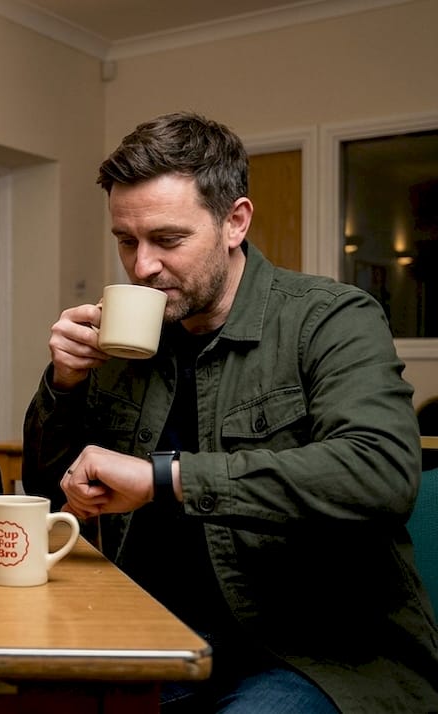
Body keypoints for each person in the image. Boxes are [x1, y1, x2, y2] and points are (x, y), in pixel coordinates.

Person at [22, 111, 438, 713]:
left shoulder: (329, 319)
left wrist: (168, 478)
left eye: (168, 240)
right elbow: (45, 487)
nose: (142, 266)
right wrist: (62, 385)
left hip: (313, 652)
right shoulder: (123, 339)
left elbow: (381, 472)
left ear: (234, 222)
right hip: (151, 634)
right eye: (125, 240)